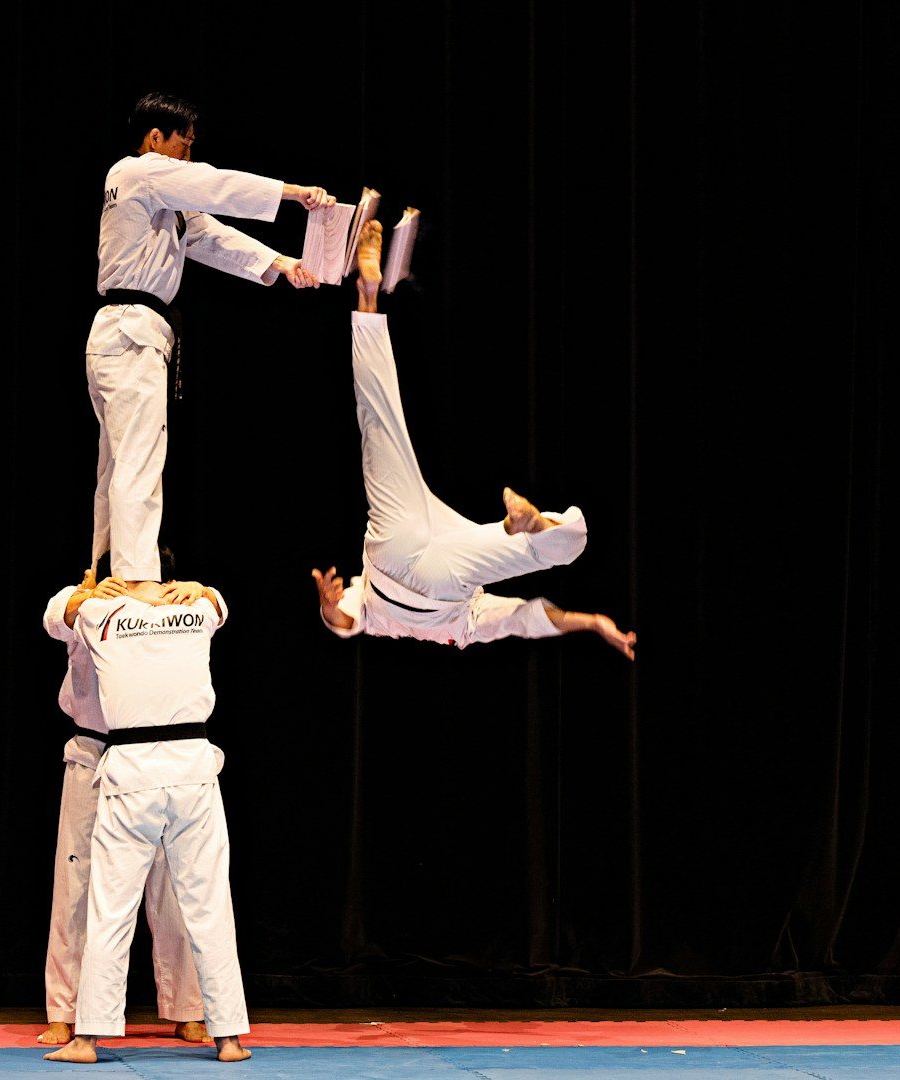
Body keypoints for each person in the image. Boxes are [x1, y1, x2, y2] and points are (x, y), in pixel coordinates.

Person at [310, 220, 636, 660]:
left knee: (552, 550)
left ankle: (535, 529)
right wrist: (330, 608)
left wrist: (592, 621)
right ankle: (367, 294)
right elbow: (346, 620)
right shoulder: (415, 621)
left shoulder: (462, 629)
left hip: (437, 575)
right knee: (379, 424)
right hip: (397, 555)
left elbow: (523, 620)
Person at [89, 89, 336, 583]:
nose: (189, 154)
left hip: (126, 331)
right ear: (154, 138)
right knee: (137, 456)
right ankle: (135, 577)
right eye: (183, 144)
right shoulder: (138, 171)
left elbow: (209, 235)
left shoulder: (159, 197)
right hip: (130, 329)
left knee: (118, 461)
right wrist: (293, 193)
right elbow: (214, 184)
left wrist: (282, 264)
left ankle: (101, 570)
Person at [44, 559, 250, 1065]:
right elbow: (219, 604)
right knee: (209, 904)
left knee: (112, 908)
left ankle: (90, 1037)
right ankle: (230, 1038)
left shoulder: (102, 614)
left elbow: (62, 613)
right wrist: (202, 589)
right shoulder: (196, 609)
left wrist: (90, 597)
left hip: (132, 768)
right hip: (180, 767)